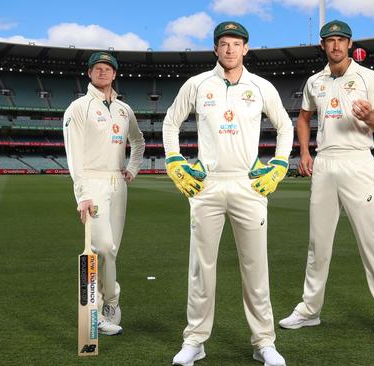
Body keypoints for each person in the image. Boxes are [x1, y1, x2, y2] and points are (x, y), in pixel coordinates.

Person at [163, 21, 293, 366]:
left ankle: (264, 342)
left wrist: (279, 164)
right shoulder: (197, 84)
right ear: (216, 49)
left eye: (237, 43)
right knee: (201, 267)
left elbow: (285, 125)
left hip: (248, 185)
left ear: (246, 49)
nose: (230, 49)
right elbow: (170, 122)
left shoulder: (261, 87)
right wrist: (174, 160)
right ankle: (195, 340)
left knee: (255, 266)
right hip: (207, 185)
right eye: (224, 43)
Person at [278, 20, 374, 346]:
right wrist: (305, 152)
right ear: (322, 45)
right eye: (330, 40)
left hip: (357, 160)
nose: (335, 45)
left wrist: (368, 118)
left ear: (349, 44)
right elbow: (304, 118)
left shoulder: (369, 77)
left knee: (372, 244)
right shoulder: (314, 82)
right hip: (324, 164)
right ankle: (310, 310)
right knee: (317, 244)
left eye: (341, 40)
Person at [63, 51, 145, 336]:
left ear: (114, 74)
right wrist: (82, 194)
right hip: (93, 184)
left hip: (117, 184)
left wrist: (132, 168)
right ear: (89, 73)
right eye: (96, 68)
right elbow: (73, 156)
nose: (102, 72)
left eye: (107, 68)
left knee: (112, 252)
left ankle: (107, 306)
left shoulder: (124, 110)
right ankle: (102, 308)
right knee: (102, 248)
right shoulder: (78, 107)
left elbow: (138, 140)